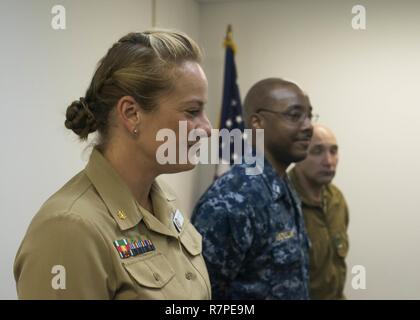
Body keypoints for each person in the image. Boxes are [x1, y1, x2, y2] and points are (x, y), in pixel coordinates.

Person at [13, 30, 213, 299]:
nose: (207, 129)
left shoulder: (165, 200)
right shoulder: (69, 229)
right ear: (132, 114)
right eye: (192, 112)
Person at [192, 78, 315, 299]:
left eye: (309, 115)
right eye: (295, 115)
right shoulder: (232, 199)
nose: (308, 126)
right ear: (258, 123)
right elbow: (202, 295)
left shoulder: (283, 186)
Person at [288, 124, 349, 300]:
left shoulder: (336, 200)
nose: (329, 161)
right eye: (317, 151)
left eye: (334, 151)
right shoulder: (282, 201)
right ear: (299, 155)